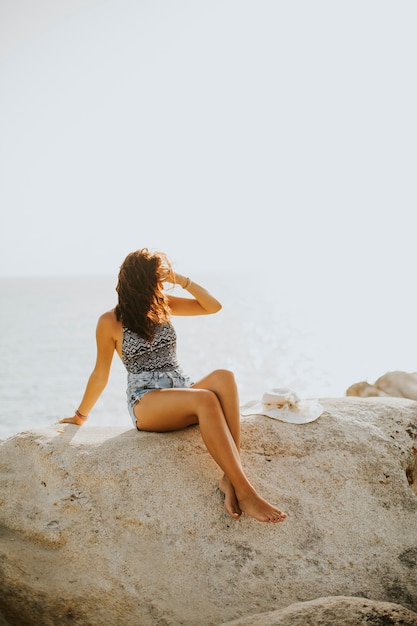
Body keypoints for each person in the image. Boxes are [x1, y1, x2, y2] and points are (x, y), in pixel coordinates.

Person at [60, 249, 287, 524]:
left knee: (224, 377)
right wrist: (80, 416)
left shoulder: (163, 305)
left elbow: (213, 306)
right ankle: (246, 491)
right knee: (205, 399)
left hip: (181, 388)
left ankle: (230, 477)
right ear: (139, 281)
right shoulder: (110, 321)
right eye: (158, 277)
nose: (162, 282)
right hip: (146, 401)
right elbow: (100, 374)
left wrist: (182, 280)